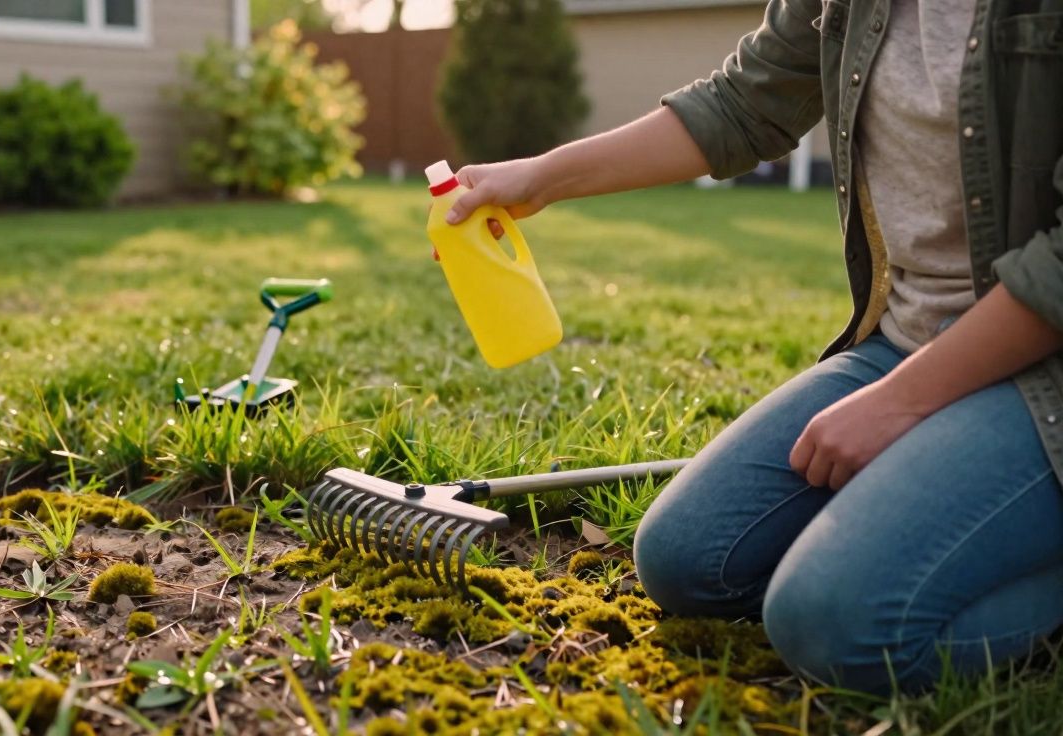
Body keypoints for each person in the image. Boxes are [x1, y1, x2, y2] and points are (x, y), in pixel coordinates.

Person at [443, 0, 1063, 693]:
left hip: (1042, 372)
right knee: (688, 558)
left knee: (835, 628)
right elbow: (745, 102)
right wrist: (539, 178)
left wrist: (900, 403)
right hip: (903, 339)